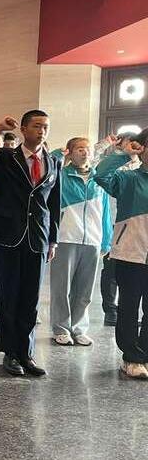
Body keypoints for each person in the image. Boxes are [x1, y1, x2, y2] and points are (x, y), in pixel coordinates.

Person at [0, 111, 62, 377]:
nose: (42, 131)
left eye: (46, 127)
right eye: (36, 126)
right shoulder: (6, 157)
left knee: (30, 299)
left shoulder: (53, 162)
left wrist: (53, 239)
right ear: (23, 129)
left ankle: (25, 353)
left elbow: (54, 203)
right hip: (9, 234)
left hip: (38, 237)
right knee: (9, 296)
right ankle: (10, 353)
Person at [93, 130, 148, 379]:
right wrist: (124, 154)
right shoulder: (129, 178)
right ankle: (131, 357)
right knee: (128, 307)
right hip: (130, 253)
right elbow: (101, 175)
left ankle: (145, 354)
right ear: (142, 148)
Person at [49, 137, 111, 347]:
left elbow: (105, 212)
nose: (85, 153)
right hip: (66, 238)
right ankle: (61, 329)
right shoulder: (61, 176)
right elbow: (48, 166)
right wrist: (59, 154)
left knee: (84, 291)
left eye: (87, 149)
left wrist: (106, 240)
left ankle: (79, 328)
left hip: (92, 240)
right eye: (79, 149)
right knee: (61, 288)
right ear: (70, 152)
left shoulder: (98, 179)